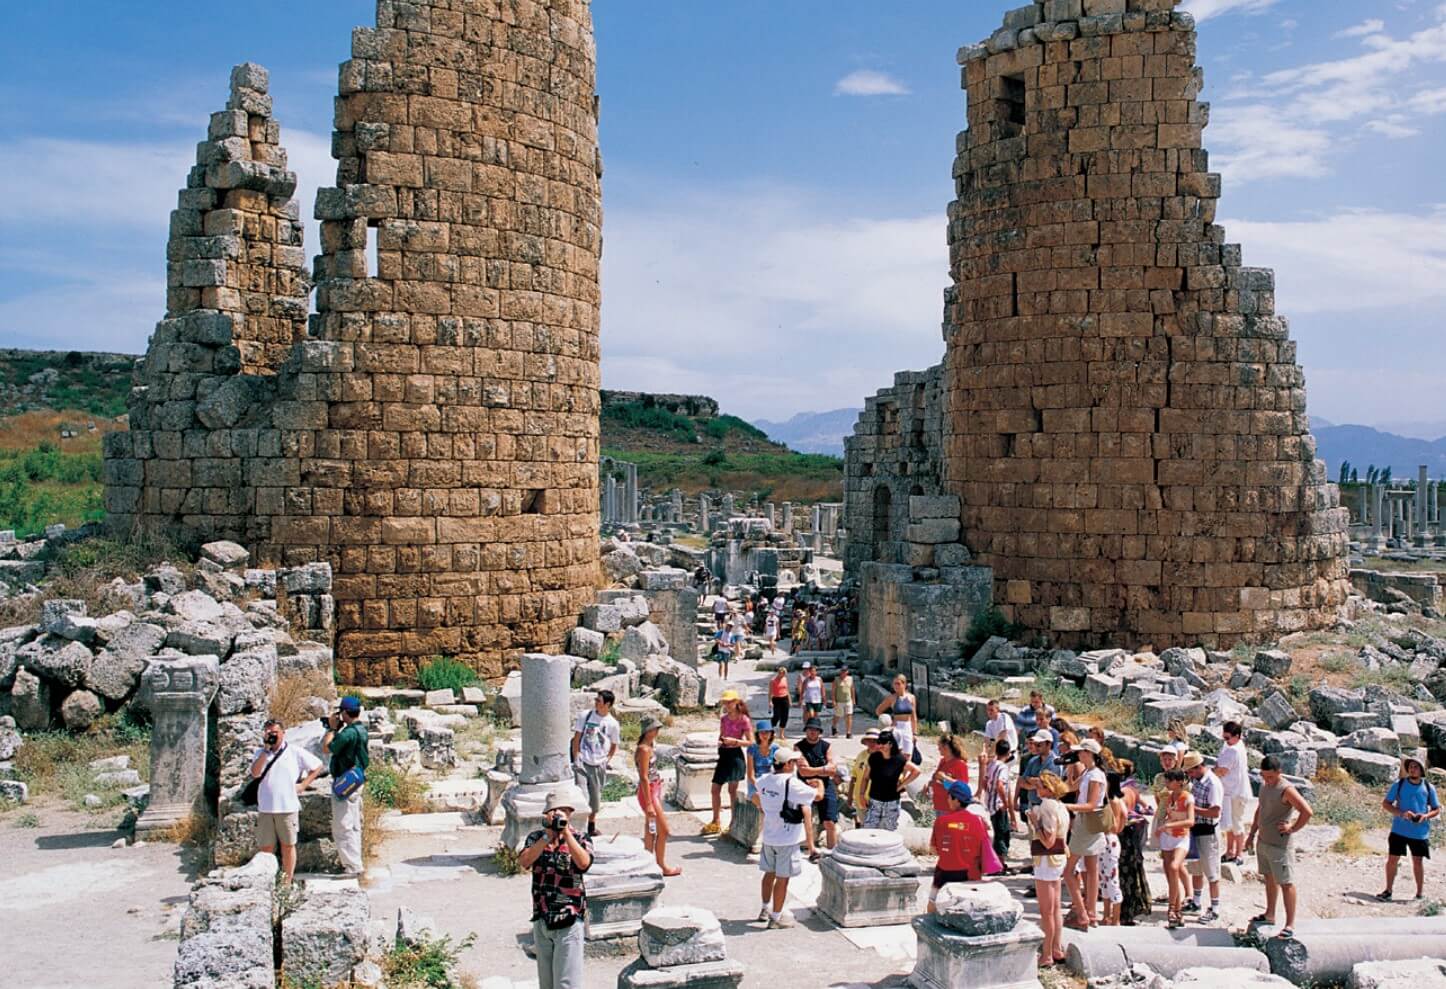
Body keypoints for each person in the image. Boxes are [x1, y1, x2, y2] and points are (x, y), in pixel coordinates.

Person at [519, 790, 593, 989]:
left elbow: (585, 863)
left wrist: (567, 834)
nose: (558, 816)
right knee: (547, 984)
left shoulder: (580, 838)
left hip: (569, 919)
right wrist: (546, 837)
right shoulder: (536, 838)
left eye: (563, 812)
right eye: (553, 812)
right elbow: (524, 861)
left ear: (570, 814)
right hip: (542, 918)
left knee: (567, 984)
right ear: (546, 815)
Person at [249, 718, 324, 883]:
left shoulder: (294, 752)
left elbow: (317, 766)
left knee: (288, 845)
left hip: (287, 807)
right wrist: (265, 751)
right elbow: (255, 773)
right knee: (266, 847)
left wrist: (303, 785)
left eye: (275, 733)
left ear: (283, 733)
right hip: (266, 808)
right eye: (268, 733)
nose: (272, 736)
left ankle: (287, 882)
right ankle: (267, 880)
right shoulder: (259, 753)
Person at [1246, 754, 1313, 938]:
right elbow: (1260, 809)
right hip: (1264, 840)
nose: (1267, 779)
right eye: (1264, 776)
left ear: (1279, 772)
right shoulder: (1264, 786)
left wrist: (1292, 828)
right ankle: (1270, 914)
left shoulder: (1286, 789)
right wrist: (1251, 834)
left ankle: (1290, 924)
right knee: (1268, 878)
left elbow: (1307, 811)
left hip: (1280, 844)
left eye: (1270, 776)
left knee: (1286, 882)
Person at [753, 747, 820, 929]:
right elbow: (818, 796)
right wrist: (818, 783)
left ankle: (764, 909)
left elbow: (755, 795)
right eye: (794, 762)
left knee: (769, 874)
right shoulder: (792, 784)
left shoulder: (765, 780)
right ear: (788, 764)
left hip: (769, 835)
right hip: (788, 838)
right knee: (783, 879)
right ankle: (776, 917)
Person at [928, 781, 1001, 912]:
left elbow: (934, 849)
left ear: (956, 800)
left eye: (949, 796)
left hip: (945, 873)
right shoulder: (978, 821)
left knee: (933, 903)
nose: (947, 800)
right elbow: (985, 845)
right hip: (971, 874)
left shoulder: (941, 821)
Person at [1378, 754, 1440, 902]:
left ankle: (1419, 894)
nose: (1412, 769)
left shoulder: (1428, 787)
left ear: (1421, 770)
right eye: (1410, 767)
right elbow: (1386, 804)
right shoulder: (1398, 784)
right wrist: (1401, 813)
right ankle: (1388, 891)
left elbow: (1436, 809)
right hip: (1399, 830)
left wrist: (1425, 816)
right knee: (1392, 860)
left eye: (1416, 767)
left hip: (1419, 832)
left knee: (1418, 862)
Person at [1063, 738, 1108, 929]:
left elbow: (1090, 805)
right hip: (1091, 824)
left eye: (1082, 752)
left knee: (1068, 870)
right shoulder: (1089, 772)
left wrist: (1065, 806)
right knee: (1091, 869)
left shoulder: (1095, 775)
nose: (1079, 755)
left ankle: (1082, 912)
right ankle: (1091, 913)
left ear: (1090, 754)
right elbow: (1070, 787)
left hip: (1086, 822)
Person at [323, 695, 368, 875]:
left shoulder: (348, 733)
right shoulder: (361, 729)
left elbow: (327, 748)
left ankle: (352, 866)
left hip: (345, 781)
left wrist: (331, 729)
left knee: (342, 826)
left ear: (344, 713)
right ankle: (355, 862)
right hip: (356, 779)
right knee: (353, 824)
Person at [1030, 773, 1071, 967]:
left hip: (1046, 860)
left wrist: (1035, 822)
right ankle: (1056, 948)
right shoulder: (1061, 806)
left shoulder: (1046, 806)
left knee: (1046, 910)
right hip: (1058, 859)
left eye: (1040, 786)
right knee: (1055, 909)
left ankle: (1046, 954)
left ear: (1048, 789)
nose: (1037, 790)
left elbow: (1048, 840)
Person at [634, 716, 680, 876]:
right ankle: (661, 866)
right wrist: (648, 804)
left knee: (651, 830)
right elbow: (644, 777)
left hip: (653, 789)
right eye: (654, 729)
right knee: (664, 830)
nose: (657, 731)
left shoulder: (648, 746)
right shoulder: (644, 749)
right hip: (649, 791)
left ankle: (648, 864)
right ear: (647, 731)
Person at [571, 689, 620, 838]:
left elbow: (614, 744)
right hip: (582, 761)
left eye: (599, 701)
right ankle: (578, 828)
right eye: (596, 700)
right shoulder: (585, 716)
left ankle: (591, 826)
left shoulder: (612, 724)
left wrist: (607, 759)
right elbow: (577, 737)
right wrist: (576, 755)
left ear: (608, 704)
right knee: (582, 795)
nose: (596, 703)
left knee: (595, 800)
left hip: (598, 764)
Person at [1182, 749, 1224, 923]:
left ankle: (1215, 908)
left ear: (1199, 767)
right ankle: (1196, 901)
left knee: (1212, 872)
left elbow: (1215, 811)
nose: (1189, 774)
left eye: (1191, 771)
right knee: (1196, 868)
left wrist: (1192, 808)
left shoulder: (1213, 784)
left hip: (1208, 830)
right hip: (1196, 828)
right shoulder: (1196, 780)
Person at [703, 693, 751, 836]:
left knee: (732, 791)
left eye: (729, 702)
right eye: (725, 702)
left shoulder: (744, 720)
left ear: (736, 702)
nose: (727, 705)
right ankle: (716, 821)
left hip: (735, 754)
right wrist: (721, 741)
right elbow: (721, 735)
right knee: (715, 788)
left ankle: (733, 822)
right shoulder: (724, 719)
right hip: (724, 754)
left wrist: (735, 741)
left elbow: (750, 741)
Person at [1158, 768, 1195, 929]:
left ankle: (1172, 908)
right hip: (1167, 836)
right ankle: (1177, 912)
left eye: (1169, 780)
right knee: (1170, 874)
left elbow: (1190, 821)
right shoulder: (1168, 796)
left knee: (1175, 866)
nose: (1166, 783)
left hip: (1181, 837)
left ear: (1179, 782)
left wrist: (1169, 824)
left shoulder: (1187, 798)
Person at [795, 717, 839, 851]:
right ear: (806, 731)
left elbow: (832, 771)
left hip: (825, 784)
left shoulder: (826, 746)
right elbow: (803, 772)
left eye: (815, 730)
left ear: (819, 732)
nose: (812, 732)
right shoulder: (799, 746)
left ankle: (833, 851)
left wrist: (813, 771)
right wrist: (823, 769)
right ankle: (808, 847)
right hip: (805, 784)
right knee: (801, 816)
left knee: (830, 822)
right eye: (810, 729)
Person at [863, 730, 919, 830]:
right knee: (869, 828)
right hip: (874, 800)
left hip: (891, 801)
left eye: (882, 743)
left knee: (889, 830)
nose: (879, 745)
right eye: (878, 743)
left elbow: (916, 771)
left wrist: (901, 786)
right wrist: (861, 794)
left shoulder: (899, 759)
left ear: (890, 744)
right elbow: (865, 778)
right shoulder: (874, 758)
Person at [1117, 772, 1153, 925]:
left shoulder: (1122, 795)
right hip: (1134, 836)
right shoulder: (1133, 791)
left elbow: (1120, 819)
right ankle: (1133, 908)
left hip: (1124, 837)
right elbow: (1148, 808)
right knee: (1133, 872)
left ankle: (1125, 912)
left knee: (1124, 876)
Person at [1214, 721, 1250, 865]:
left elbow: (1222, 770)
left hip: (1236, 791)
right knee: (1229, 823)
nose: (1226, 741)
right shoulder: (1233, 746)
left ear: (1237, 736)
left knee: (1237, 823)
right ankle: (1230, 851)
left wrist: (1210, 773)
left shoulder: (1234, 750)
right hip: (1230, 790)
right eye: (1224, 738)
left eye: (1228, 738)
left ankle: (1239, 854)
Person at [1098, 772, 1128, 926]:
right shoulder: (1106, 800)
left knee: (1112, 879)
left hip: (1109, 840)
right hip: (1102, 840)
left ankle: (1115, 918)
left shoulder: (1113, 802)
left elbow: (1116, 825)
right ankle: (1106, 914)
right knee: (1103, 879)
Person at [984, 738, 1017, 868]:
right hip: (998, 805)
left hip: (990, 803)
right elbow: (1000, 785)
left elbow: (985, 781)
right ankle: (1000, 863)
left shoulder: (991, 764)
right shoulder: (1003, 767)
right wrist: (1005, 803)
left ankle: (996, 861)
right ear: (1008, 753)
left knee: (997, 833)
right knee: (1002, 833)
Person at [875, 674, 919, 759]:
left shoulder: (911, 697)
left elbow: (914, 717)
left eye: (898, 683)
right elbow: (878, 710)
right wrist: (888, 720)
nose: (896, 686)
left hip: (907, 726)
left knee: (908, 753)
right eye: (894, 684)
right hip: (896, 726)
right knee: (897, 752)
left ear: (904, 684)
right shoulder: (891, 698)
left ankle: (905, 771)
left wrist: (915, 733)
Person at [929, 734, 971, 813]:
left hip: (949, 807)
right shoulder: (943, 761)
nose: (939, 749)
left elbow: (963, 787)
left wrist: (945, 778)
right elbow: (936, 777)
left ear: (947, 748)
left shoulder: (960, 764)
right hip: (938, 804)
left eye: (940, 746)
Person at [980, 699, 1019, 785]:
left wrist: (990, 753)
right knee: (984, 766)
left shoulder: (1004, 717)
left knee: (999, 777)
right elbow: (986, 740)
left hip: (1009, 752)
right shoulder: (989, 724)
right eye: (988, 710)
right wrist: (984, 752)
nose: (989, 712)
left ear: (997, 710)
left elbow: (1002, 736)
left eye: (992, 710)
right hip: (998, 753)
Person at [847, 729, 880, 820]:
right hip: (860, 799)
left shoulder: (884, 757)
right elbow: (854, 777)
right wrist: (849, 796)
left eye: (875, 741)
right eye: (869, 740)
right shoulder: (861, 755)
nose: (872, 743)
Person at [746, 721, 780, 798]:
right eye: (762, 732)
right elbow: (750, 775)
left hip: (770, 780)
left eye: (767, 732)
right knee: (761, 798)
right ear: (758, 734)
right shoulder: (752, 748)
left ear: (771, 734)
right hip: (755, 782)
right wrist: (760, 787)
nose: (764, 735)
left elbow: (778, 769)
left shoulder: (775, 748)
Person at [768, 667, 791, 740]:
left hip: (785, 698)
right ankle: (770, 727)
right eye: (781, 673)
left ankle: (781, 734)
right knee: (777, 715)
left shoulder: (785, 679)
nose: (783, 674)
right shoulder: (773, 680)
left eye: (784, 673)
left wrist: (790, 700)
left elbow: (787, 690)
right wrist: (770, 701)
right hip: (776, 699)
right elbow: (770, 692)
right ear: (778, 673)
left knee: (785, 716)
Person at [831, 668, 855, 738]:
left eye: (845, 671)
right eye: (842, 671)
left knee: (849, 716)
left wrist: (853, 699)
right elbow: (833, 691)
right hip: (839, 701)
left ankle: (848, 732)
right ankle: (834, 726)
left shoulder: (850, 679)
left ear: (847, 672)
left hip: (848, 700)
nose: (844, 672)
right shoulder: (836, 680)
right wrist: (833, 701)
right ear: (840, 671)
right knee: (837, 716)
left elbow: (852, 689)